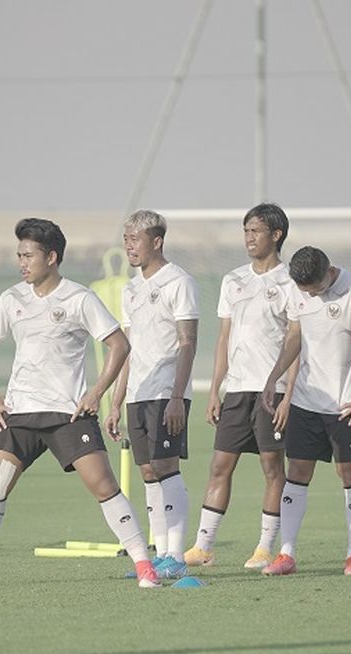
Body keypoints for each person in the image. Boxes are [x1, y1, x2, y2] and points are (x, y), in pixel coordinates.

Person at [0, 218, 160, 589]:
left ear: (51, 257)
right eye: (19, 254)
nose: (22, 262)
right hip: (18, 413)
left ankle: (146, 566)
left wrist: (96, 393)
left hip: (68, 414)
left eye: (28, 254)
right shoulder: (11, 298)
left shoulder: (79, 298)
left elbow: (119, 345)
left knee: (103, 485)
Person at [259, 246, 351, 576]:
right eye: (306, 292)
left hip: (345, 405)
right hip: (305, 401)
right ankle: (286, 554)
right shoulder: (296, 289)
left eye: (315, 289)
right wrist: (273, 378)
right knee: (297, 473)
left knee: (350, 475)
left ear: (329, 271)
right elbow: (294, 337)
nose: (311, 296)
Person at [183, 203, 297, 570]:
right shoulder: (232, 280)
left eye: (256, 231)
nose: (248, 238)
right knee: (219, 466)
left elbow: (297, 342)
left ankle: (265, 547)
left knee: (271, 468)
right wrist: (215, 389)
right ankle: (203, 547)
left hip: (272, 390)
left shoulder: (290, 282)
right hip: (236, 390)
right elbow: (223, 338)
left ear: (276, 235)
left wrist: (287, 396)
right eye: (245, 231)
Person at [104, 209, 200, 581]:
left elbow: (188, 342)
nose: (129, 246)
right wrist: (114, 401)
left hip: (167, 391)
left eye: (135, 239)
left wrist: (178, 396)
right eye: (125, 239)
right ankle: (158, 556)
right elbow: (126, 348)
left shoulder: (179, 282)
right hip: (137, 393)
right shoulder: (130, 288)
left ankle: (176, 554)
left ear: (156, 241)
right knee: (147, 470)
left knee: (165, 466)